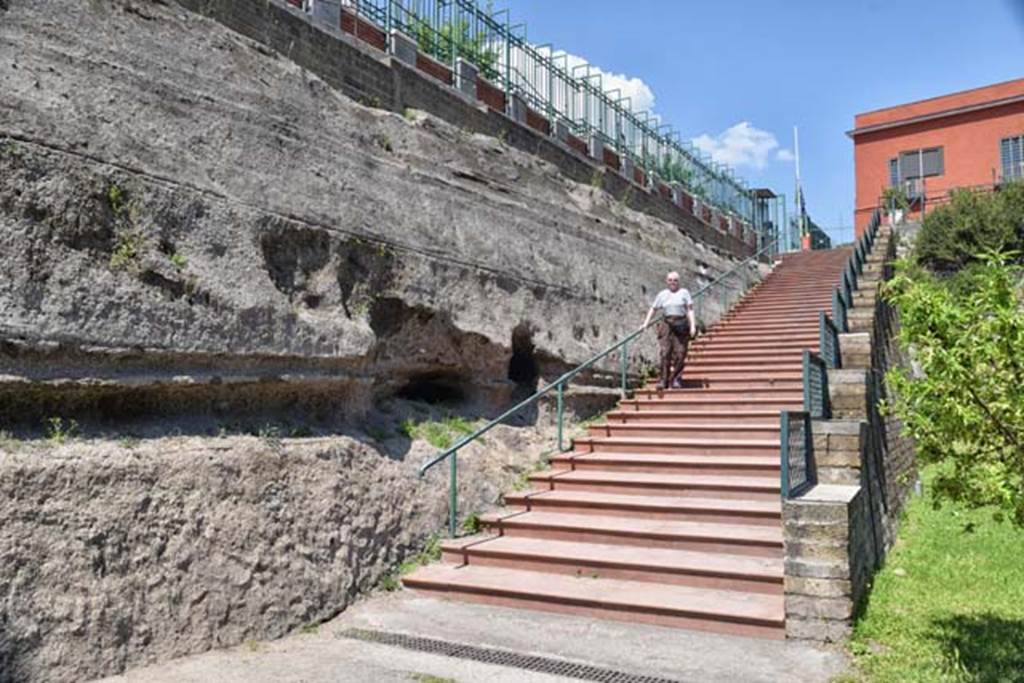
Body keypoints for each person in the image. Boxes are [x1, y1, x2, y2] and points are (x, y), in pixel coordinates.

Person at [642, 271, 697, 390]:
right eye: (670, 280)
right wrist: (646, 323)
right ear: (667, 281)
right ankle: (663, 380)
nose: (673, 282)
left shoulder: (684, 292)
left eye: (675, 280)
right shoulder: (662, 294)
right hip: (667, 324)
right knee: (664, 352)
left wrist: (693, 325)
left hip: (681, 323)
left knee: (681, 352)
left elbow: (690, 310)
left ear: (679, 282)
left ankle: (676, 379)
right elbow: (653, 309)